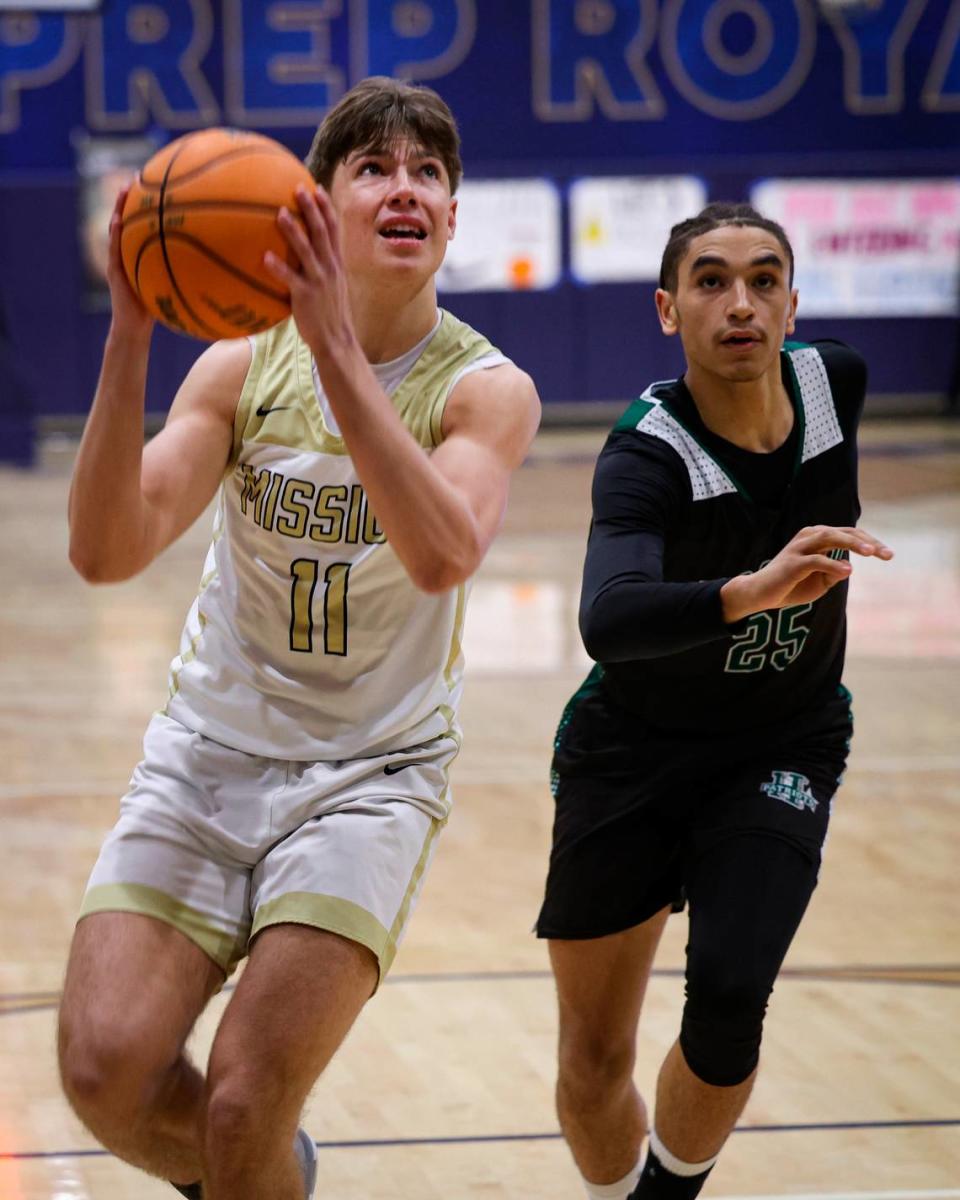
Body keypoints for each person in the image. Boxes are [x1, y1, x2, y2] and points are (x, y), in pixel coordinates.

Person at [57, 76, 540, 1200]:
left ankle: (255, 1159)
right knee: (101, 1071)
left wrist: (333, 352)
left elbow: (442, 554)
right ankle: (278, 1176)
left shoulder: (485, 391)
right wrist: (132, 330)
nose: (405, 187)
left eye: (430, 172)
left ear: (454, 217)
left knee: (238, 1103)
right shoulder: (235, 366)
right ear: (312, 205)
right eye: (374, 167)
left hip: (368, 778)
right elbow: (103, 550)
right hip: (210, 753)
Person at [536, 202, 893, 1200]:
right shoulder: (646, 453)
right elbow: (608, 618)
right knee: (593, 1063)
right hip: (631, 752)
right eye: (710, 281)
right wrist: (752, 590)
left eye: (764, 279)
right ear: (667, 308)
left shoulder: (837, 384)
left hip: (783, 740)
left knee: (731, 994)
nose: (740, 302)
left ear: (793, 302)